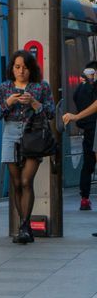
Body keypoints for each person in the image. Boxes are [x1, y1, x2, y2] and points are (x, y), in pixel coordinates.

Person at [0, 49, 56, 244]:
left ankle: (24, 226)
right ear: (12, 69)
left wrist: (35, 104)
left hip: (33, 135)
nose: (21, 71)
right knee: (16, 183)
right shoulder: (4, 88)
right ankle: (25, 226)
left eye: (25, 68)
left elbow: (51, 113)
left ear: (31, 69)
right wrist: (9, 102)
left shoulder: (41, 87)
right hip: (10, 134)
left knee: (26, 180)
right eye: (17, 67)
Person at [65, 57, 97, 211]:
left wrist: (78, 117)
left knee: (87, 164)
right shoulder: (93, 87)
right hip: (94, 128)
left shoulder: (79, 89)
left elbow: (77, 102)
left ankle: (84, 198)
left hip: (88, 129)